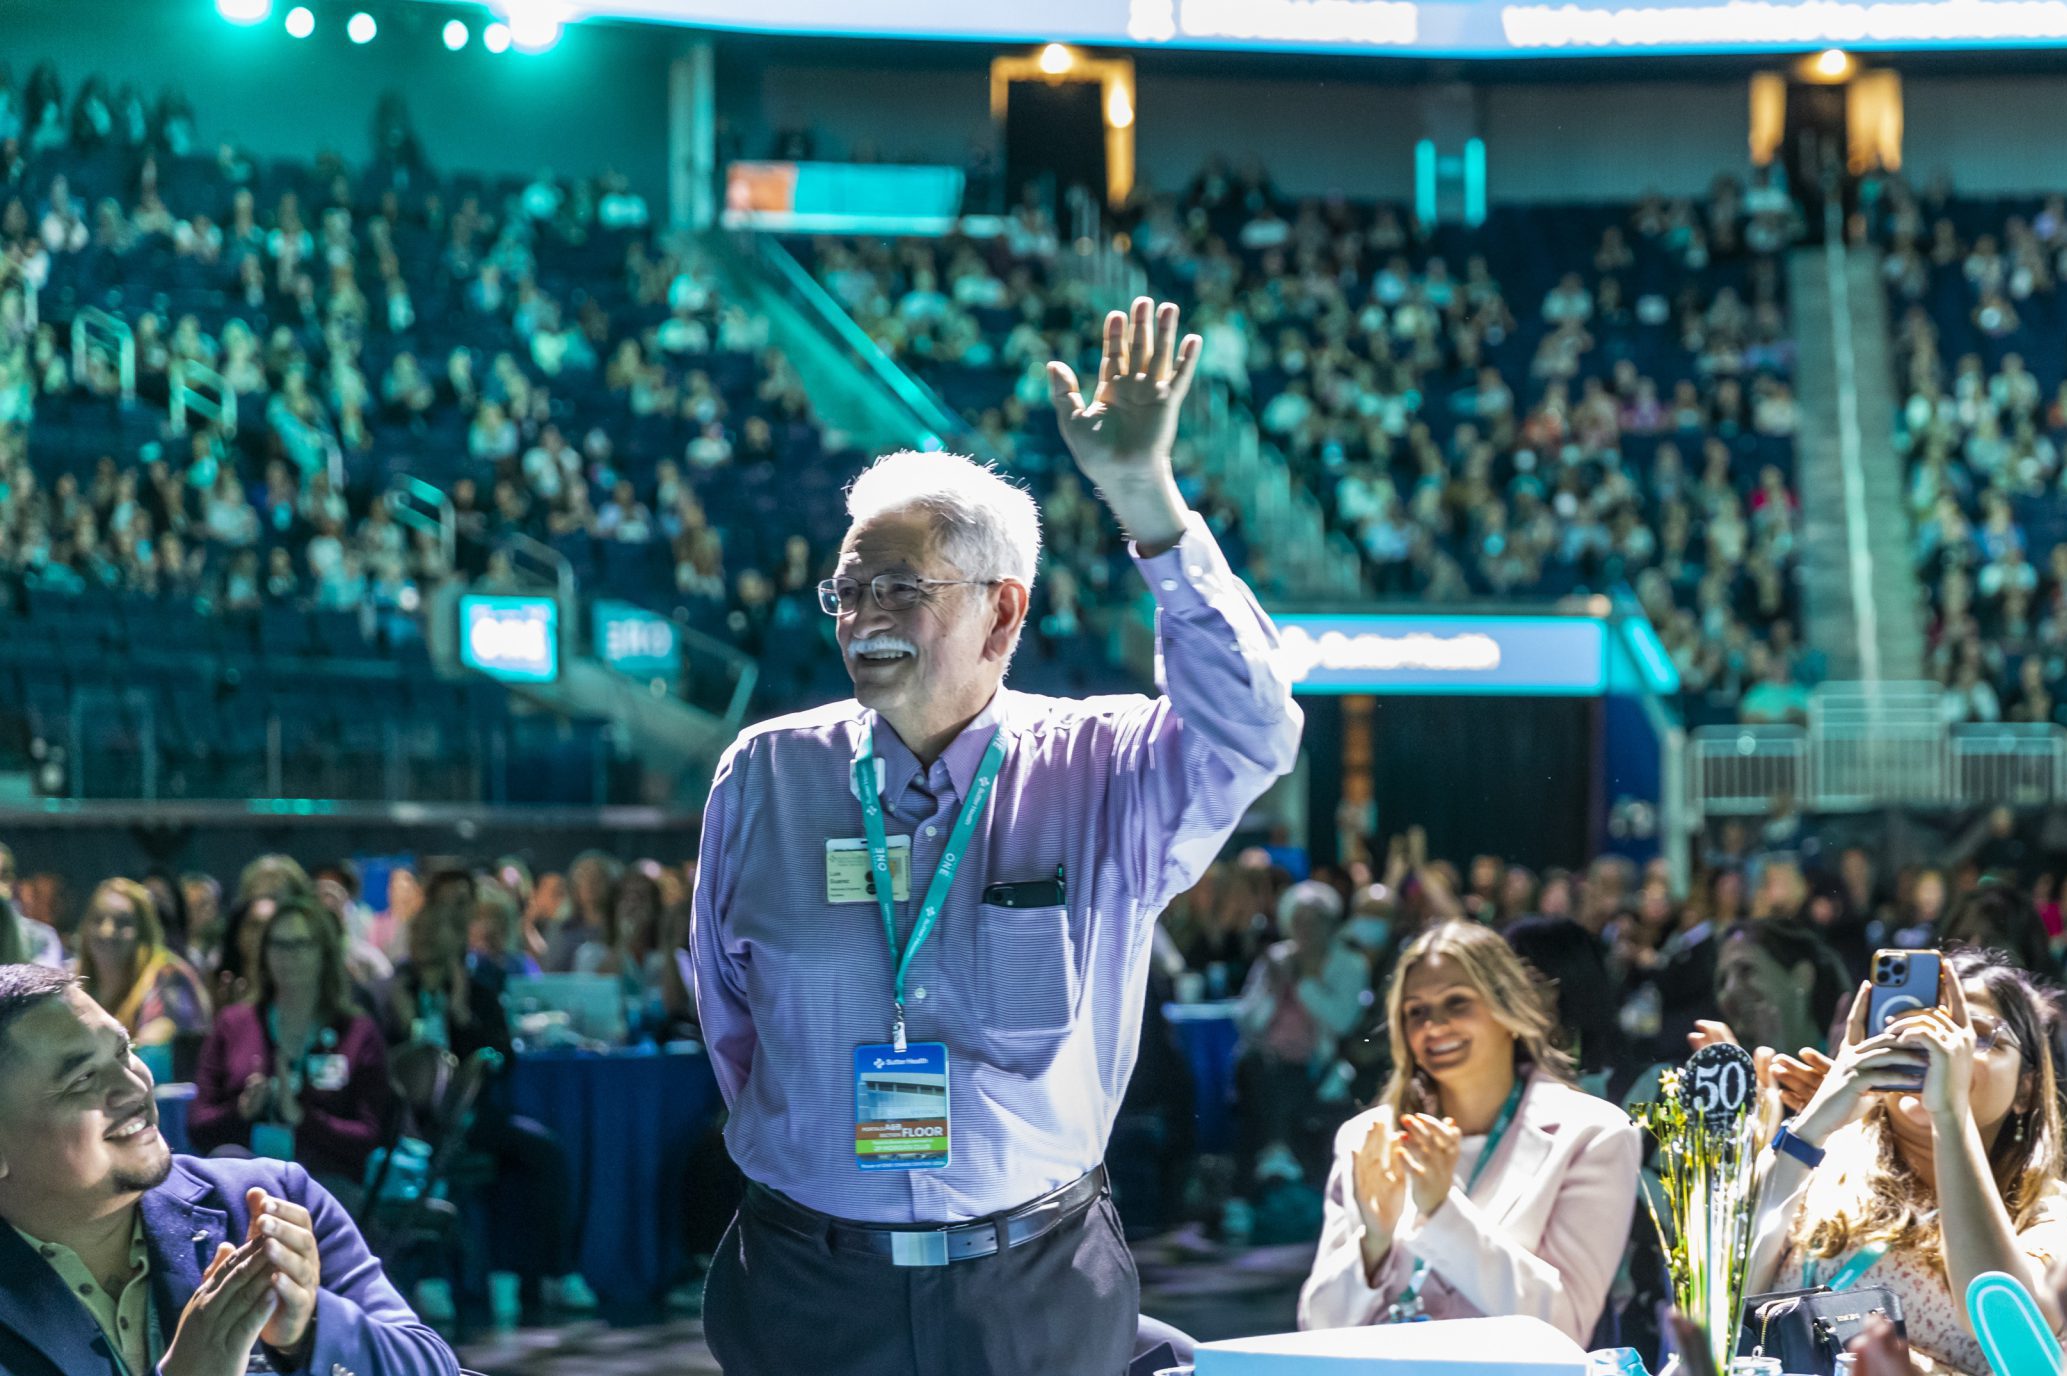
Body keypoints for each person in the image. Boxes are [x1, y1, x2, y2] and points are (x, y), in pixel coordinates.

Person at [690, 297, 1302, 1376]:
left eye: (900, 588)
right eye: (848, 588)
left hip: (1035, 1286)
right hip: (808, 1284)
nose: (862, 613)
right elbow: (734, 1023)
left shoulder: (1109, 768)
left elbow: (1256, 725)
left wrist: (1146, 500)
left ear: (1003, 613)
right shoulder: (766, 774)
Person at [0, 964, 459, 1376]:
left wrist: (309, 1333)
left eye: (123, 1051)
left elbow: (433, 1365)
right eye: (81, 1078)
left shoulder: (269, 1201)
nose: (133, 1085)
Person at [1298, 920, 1641, 1341]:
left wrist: (1442, 1212)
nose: (1434, 1027)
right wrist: (1374, 1243)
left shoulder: (1592, 1135)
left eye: (1457, 1003)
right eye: (1416, 1012)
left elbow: (1564, 1327)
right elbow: (1317, 1326)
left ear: (1510, 1011)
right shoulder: (1366, 1138)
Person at [1746, 949, 2067, 1375]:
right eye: (1915, 1027)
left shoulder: (2047, 1211)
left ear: (2026, 1090)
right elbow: (1719, 1298)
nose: (1938, 1045)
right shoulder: (1816, 1167)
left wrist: (1950, 1116)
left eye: (1974, 1035)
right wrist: (1810, 1126)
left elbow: (2009, 1331)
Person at [187, 898, 391, 1205]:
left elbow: (370, 1135)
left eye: (300, 944)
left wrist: (303, 1118)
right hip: (249, 1177)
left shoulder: (356, 1032)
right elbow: (197, 1124)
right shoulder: (234, 1023)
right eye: (278, 945)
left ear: (324, 952)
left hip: (327, 1181)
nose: (287, 956)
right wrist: (240, 1112)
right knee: (225, 1164)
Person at [1233, 880, 1369, 1185]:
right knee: (1256, 1067)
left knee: (1281, 1077)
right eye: (1300, 921)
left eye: (1315, 922)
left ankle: (1276, 1152)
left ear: (1330, 924)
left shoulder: (1349, 964)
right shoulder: (1276, 960)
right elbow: (1247, 1019)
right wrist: (1275, 987)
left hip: (1321, 1064)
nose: (1307, 930)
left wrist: (1306, 980)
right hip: (1267, 1059)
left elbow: (1342, 1021)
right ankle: (1273, 1159)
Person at [73, 878, 212, 1054]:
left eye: (122, 922)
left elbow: (177, 1051)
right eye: (98, 920)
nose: (107, 931)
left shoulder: (170, 976)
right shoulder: (73, 980)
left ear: (143, 931)